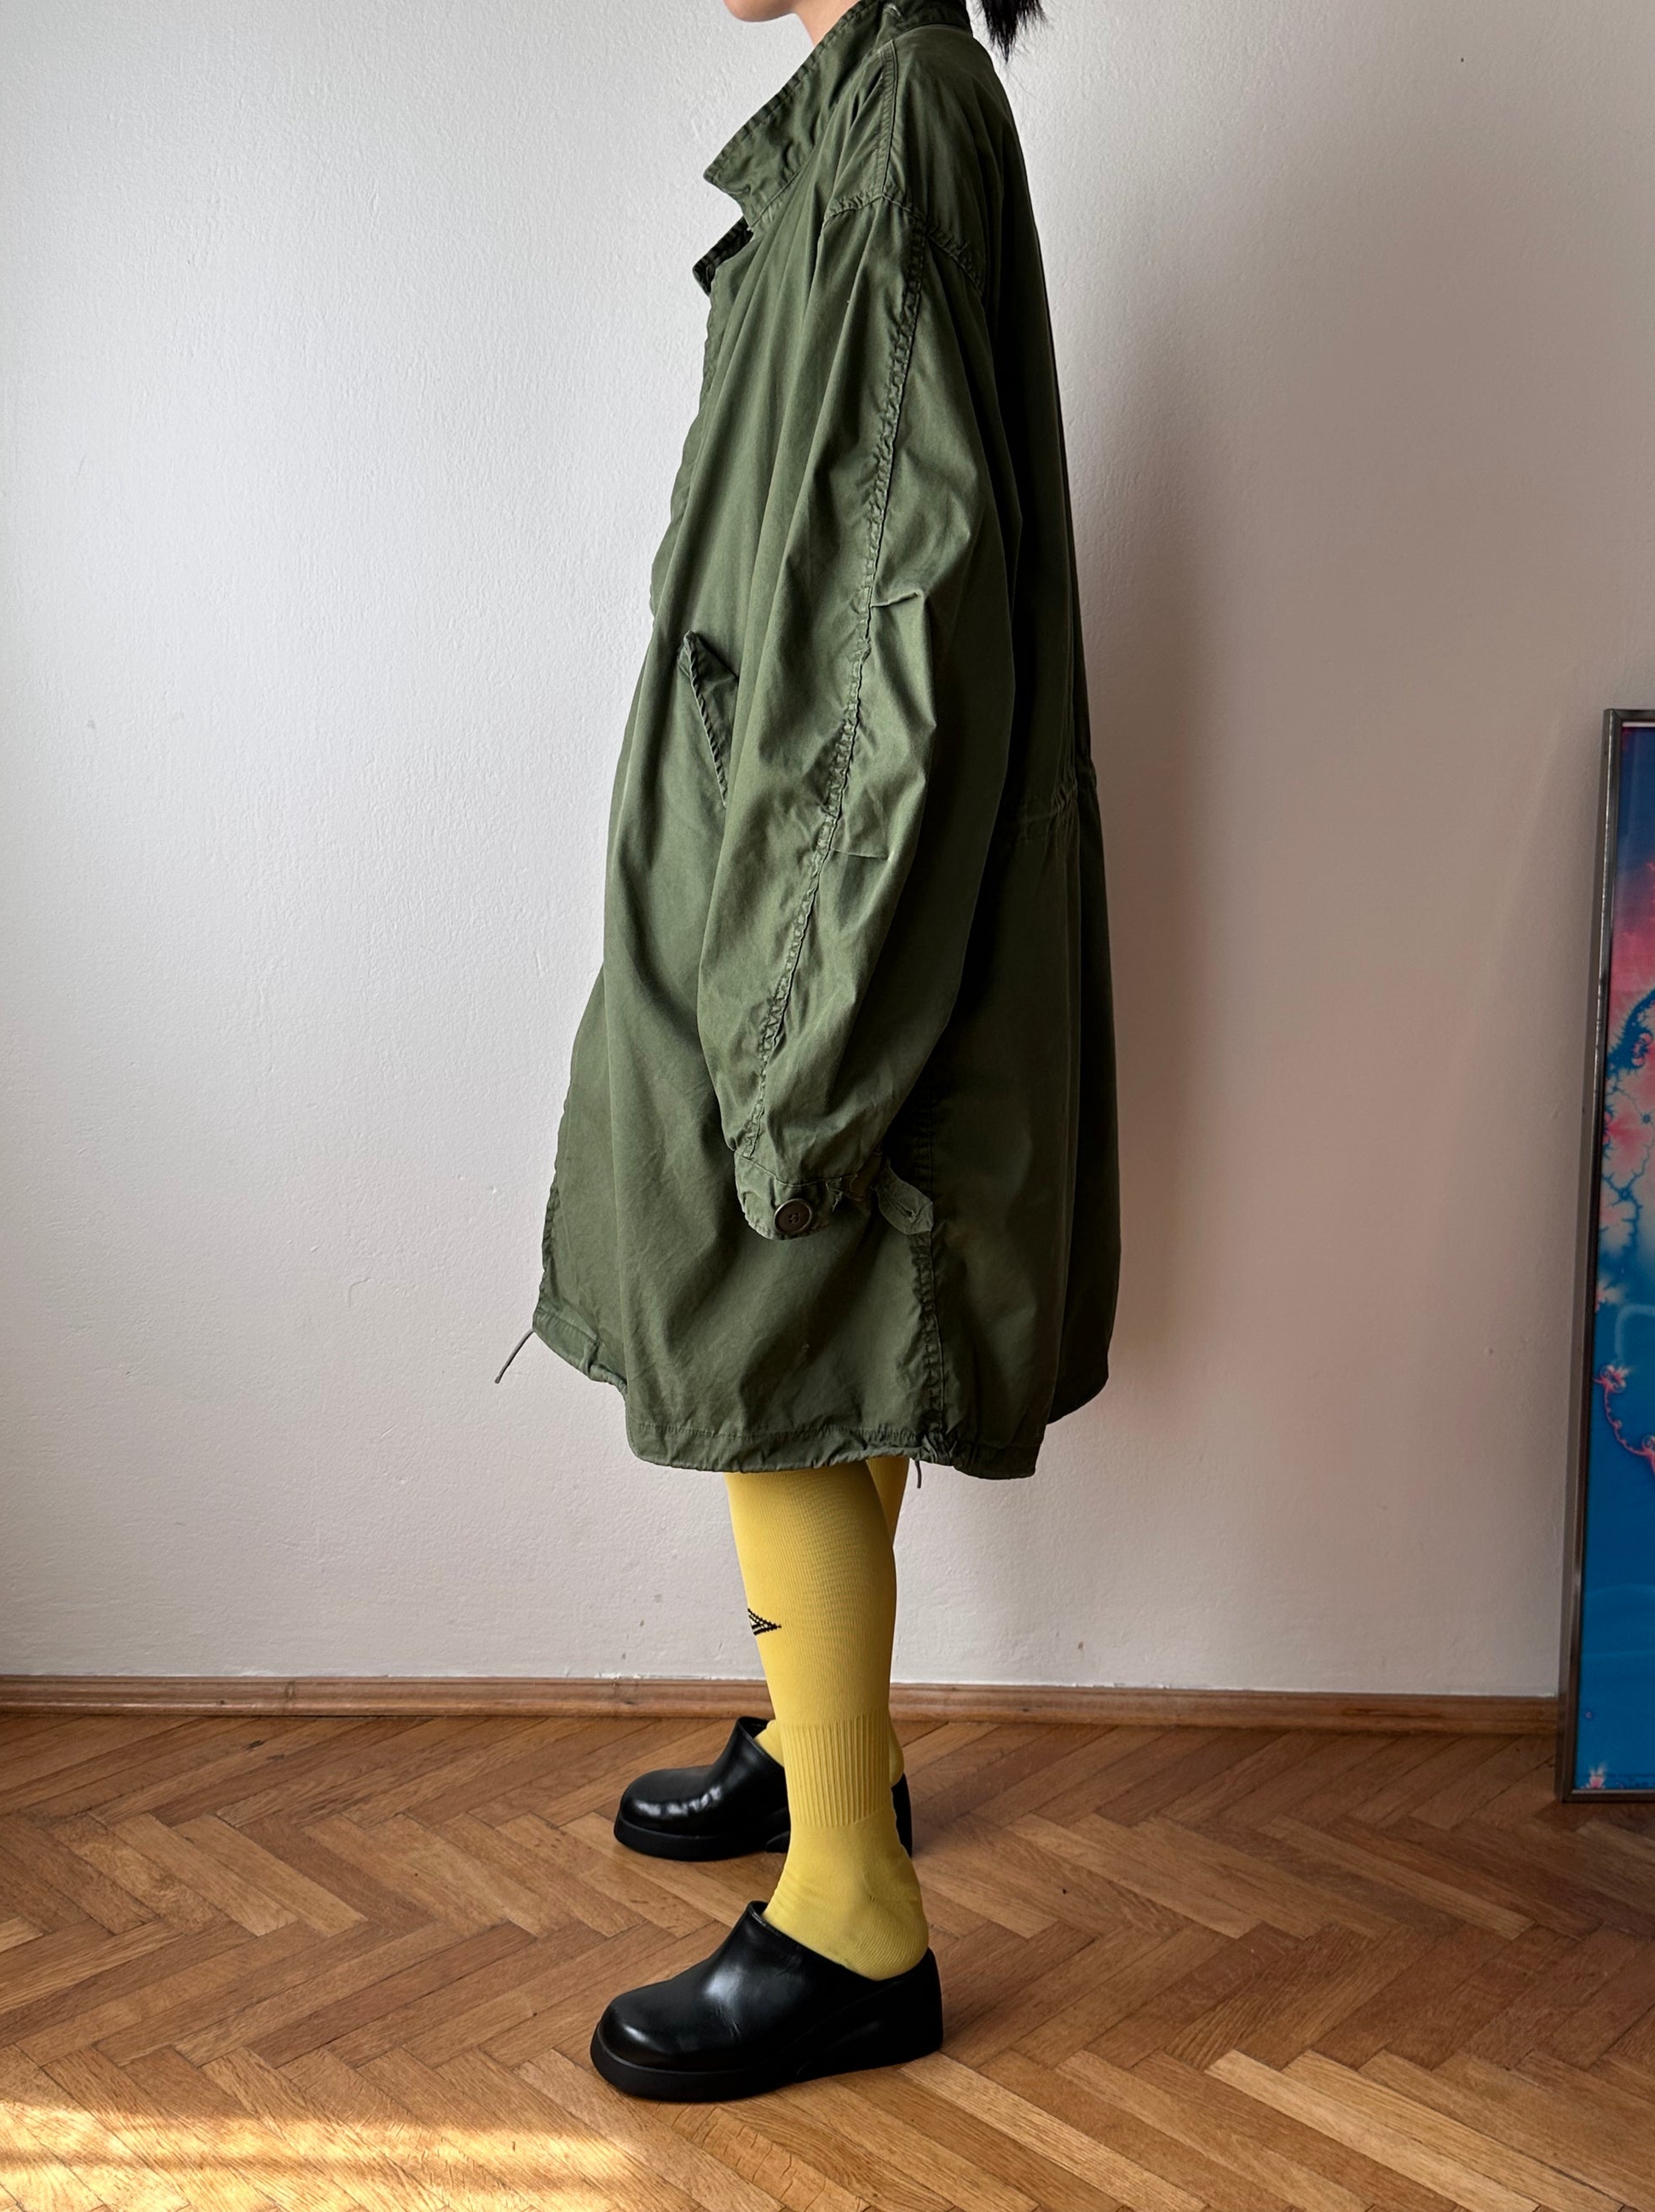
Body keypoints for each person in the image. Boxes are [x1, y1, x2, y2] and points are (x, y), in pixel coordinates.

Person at [506, 0, 1121, 2101]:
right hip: (781, 861)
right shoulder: (883, 97)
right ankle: (820, 1735)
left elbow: (893, 623)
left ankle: (853, 1915)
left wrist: (803, 1014)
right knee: (817, 1327)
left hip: (815, 894)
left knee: (770, 1321)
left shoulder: (898, 122)